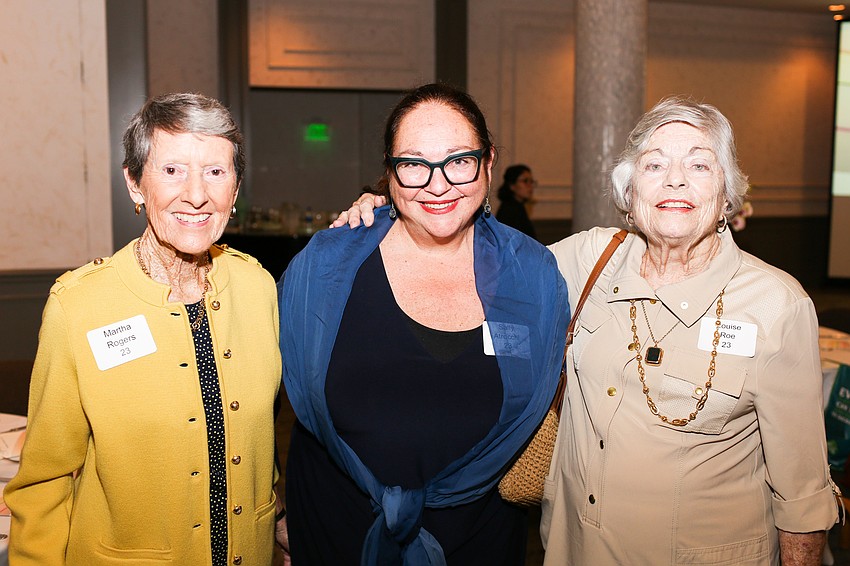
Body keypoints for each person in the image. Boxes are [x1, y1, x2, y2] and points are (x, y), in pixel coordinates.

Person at [336, 96, 840, 565]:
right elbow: (477, 259)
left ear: (728, 191)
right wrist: (391, 210)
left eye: (699, 164)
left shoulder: (776, 306)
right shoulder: (588, 259)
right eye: (655, 164)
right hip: (576, 548)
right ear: (629, 189)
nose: (675, 181)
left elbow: (802, 497)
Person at [277, 83, 570, 565]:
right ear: (389, 174)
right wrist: (277, 514)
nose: (437, 185)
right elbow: (251, 391)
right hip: (336, 532)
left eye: (458, 161)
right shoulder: (327, 266)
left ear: (488, 162)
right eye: (413, 164)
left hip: (480, 540)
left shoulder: (533, 275)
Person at [5, 93, 283, 566]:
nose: (197, 195)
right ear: (135, 184)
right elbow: (44, 483)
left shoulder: (258, 288)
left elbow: (262, 445)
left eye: (216, 172)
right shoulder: (80, 306)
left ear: (235, 190)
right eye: (172, 170)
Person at [496, 164, 537, 239]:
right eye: (525, 181)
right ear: (512, 185)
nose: (530, 186)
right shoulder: (509, 210)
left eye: (531, 181)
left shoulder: (518, 207)